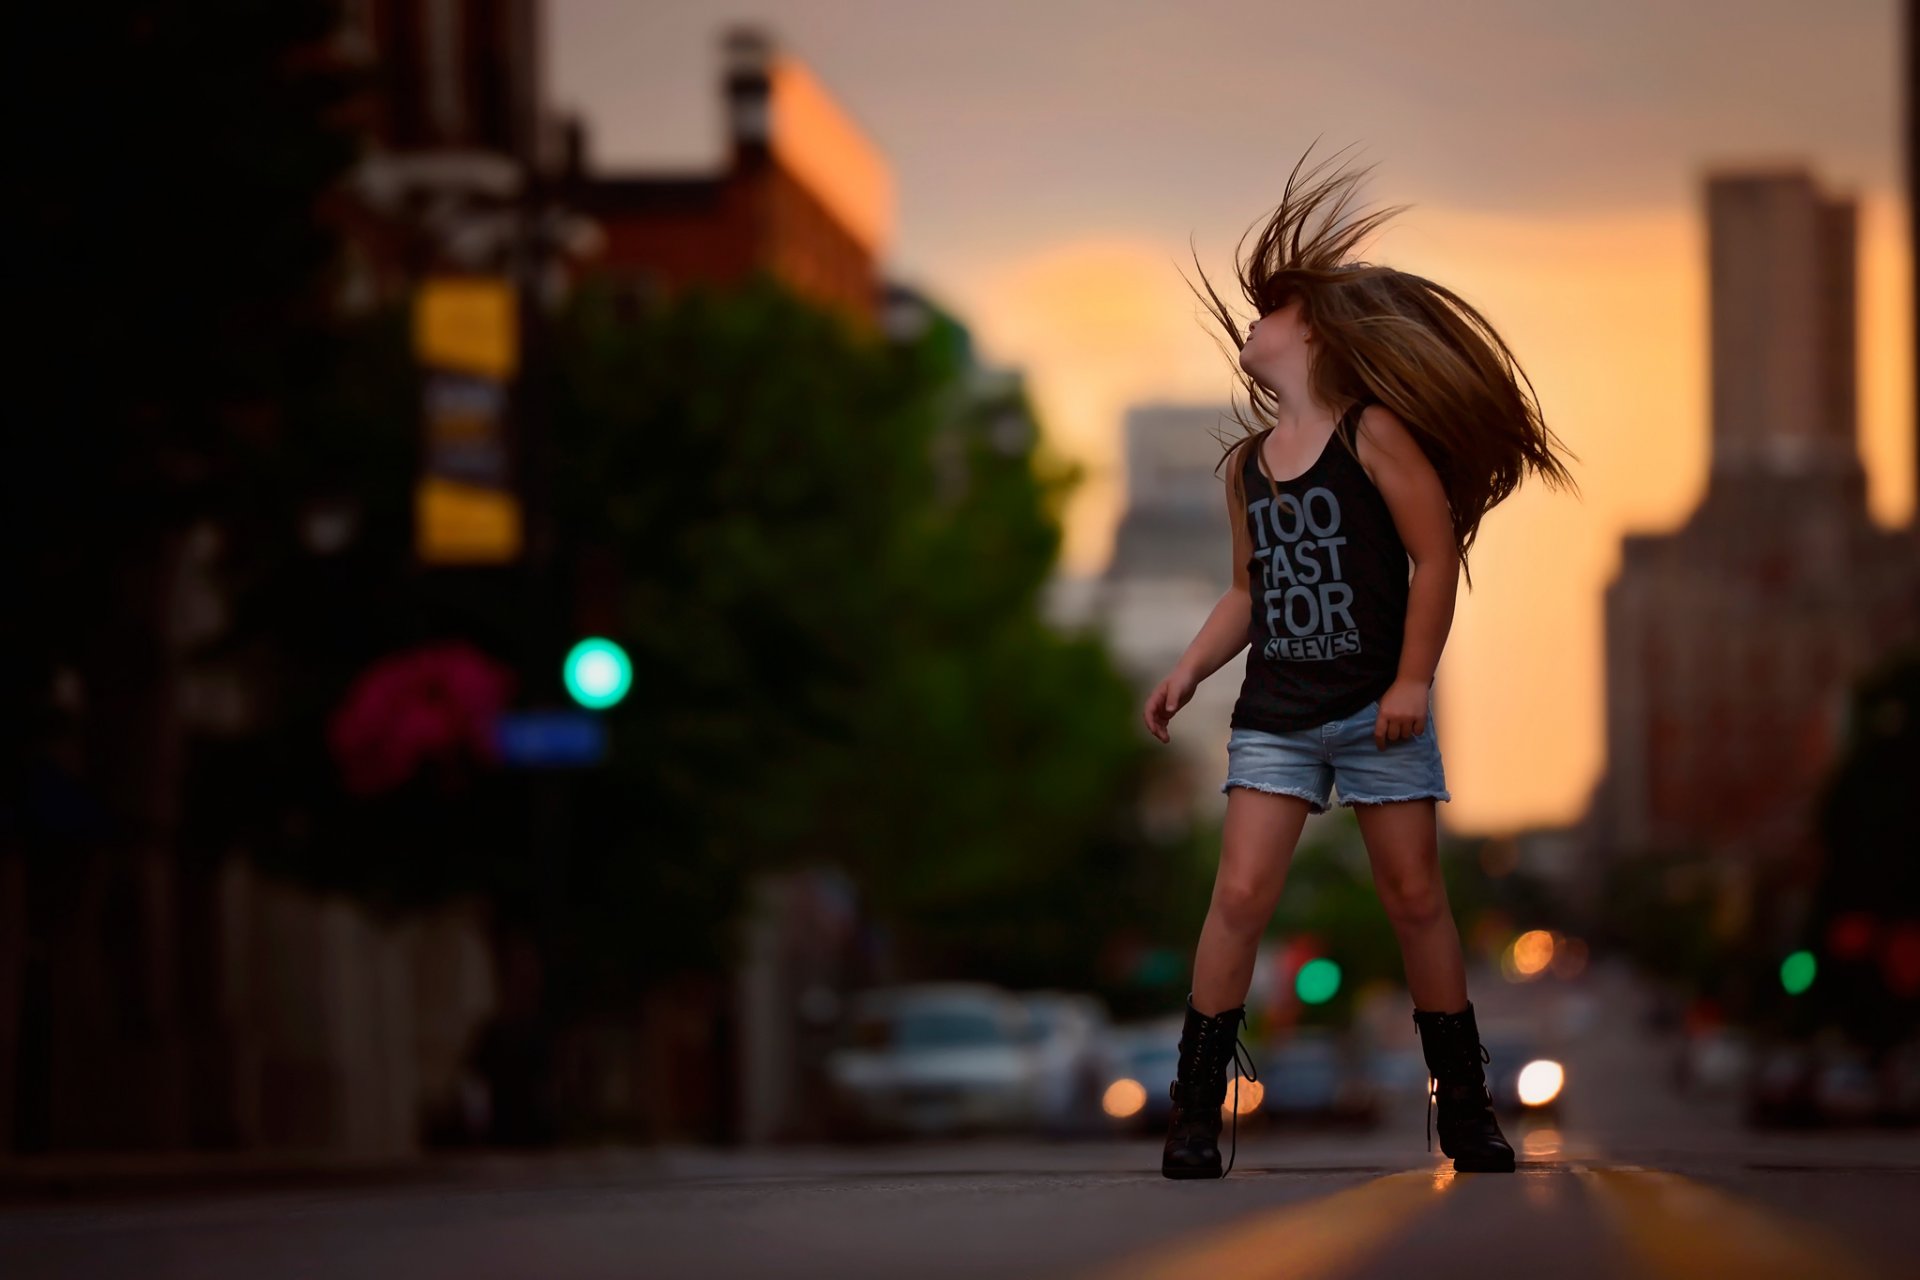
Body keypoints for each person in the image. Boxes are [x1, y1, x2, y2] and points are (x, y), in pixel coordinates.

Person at [1143, 140, 1580, 1179]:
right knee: (1239, 895)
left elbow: (1435, 556)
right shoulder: (1246, 465)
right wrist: (1190, 669)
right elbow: (1248, 590)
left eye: (1270, 311)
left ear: (1311, 330)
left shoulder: (1376, 433)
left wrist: (1413, 679)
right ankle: (1195, 1111)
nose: (1252, 325)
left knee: (1416, 898)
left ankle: (1465, 1104)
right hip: (1279, 711)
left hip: (1379, 709)